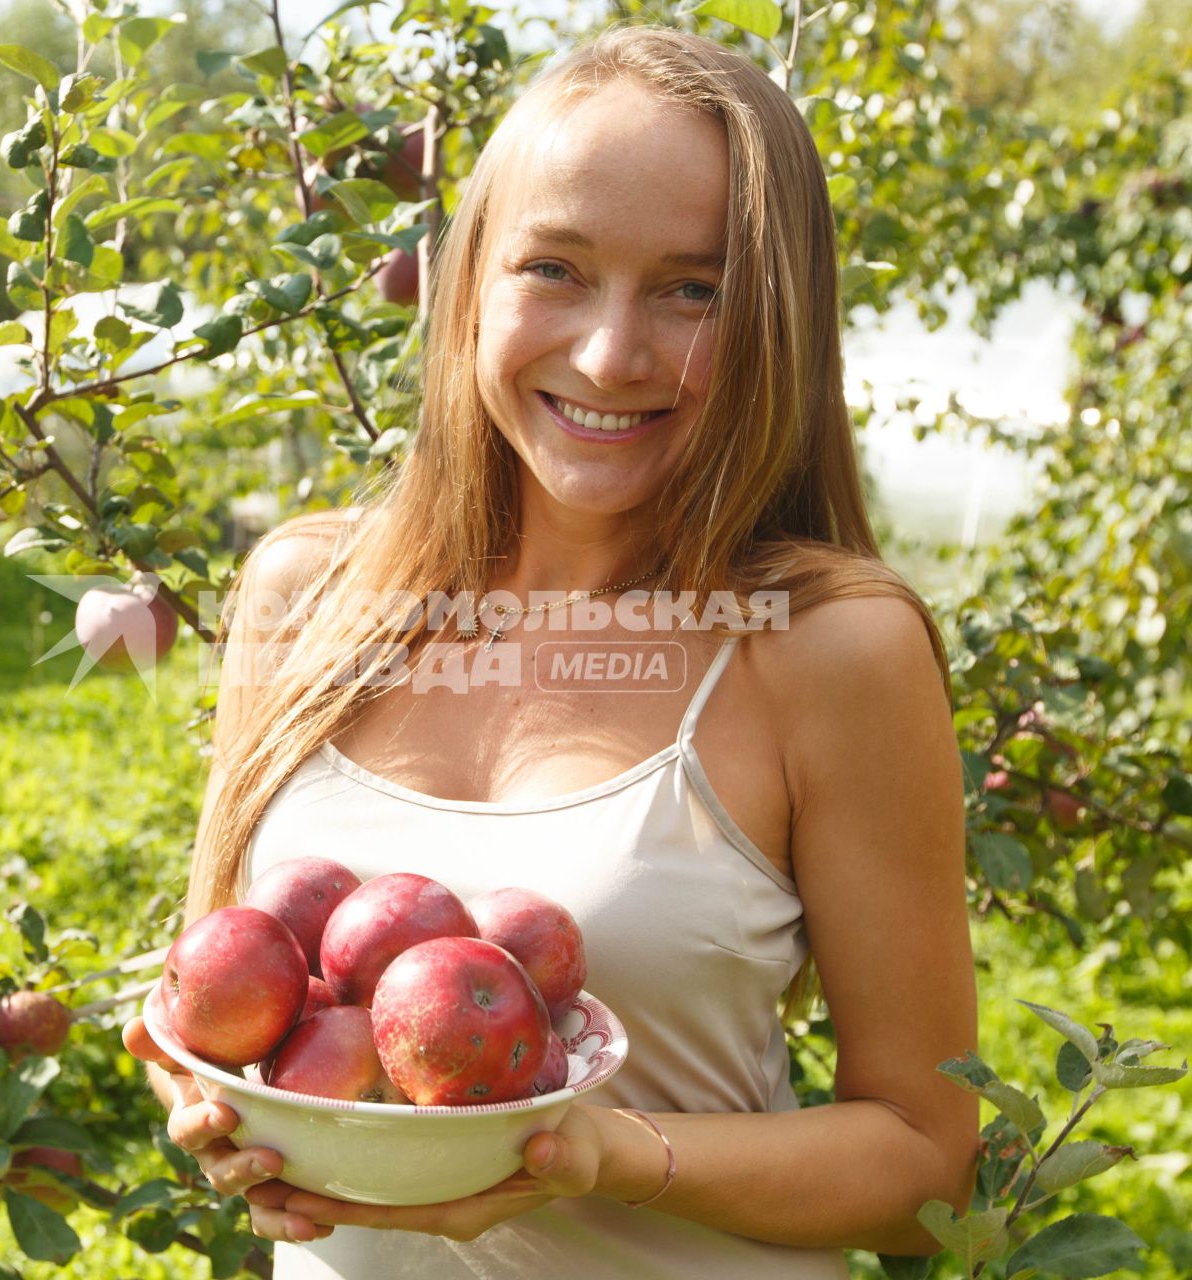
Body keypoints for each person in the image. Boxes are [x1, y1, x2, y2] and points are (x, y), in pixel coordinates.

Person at [122, 20, 978, 1278]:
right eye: (555, 269)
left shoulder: (830, 648)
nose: (610, 354)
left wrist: (607, 1152)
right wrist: (212, 1118)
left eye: (697, 289)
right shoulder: (306, 594)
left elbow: (925, 1165)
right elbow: (203, 1025)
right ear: (471, 282)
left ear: (778, 324)